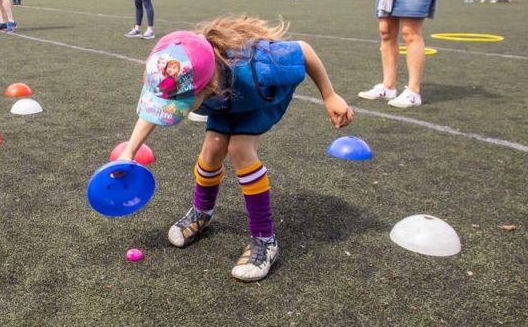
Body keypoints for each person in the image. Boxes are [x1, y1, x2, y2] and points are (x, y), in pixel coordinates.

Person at [114, 16, 353, 282]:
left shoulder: (259, 64)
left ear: (207, 86)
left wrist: (330, 95)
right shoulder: (177, 69)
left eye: (182, 102)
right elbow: (156, 110)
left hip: (259, 96)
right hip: (224, 100)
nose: (174, 108)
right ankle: (201, 212)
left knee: (239, 148)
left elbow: (304, 50)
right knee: (213, 148)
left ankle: (265, 238)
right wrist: (129, 153)